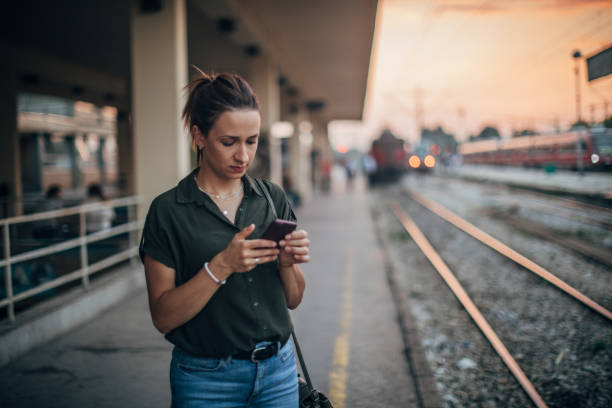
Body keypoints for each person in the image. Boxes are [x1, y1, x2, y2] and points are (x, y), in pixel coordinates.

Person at [139, 70, 309, 407]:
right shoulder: (168, 211)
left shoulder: (272, 198)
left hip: (279, 372)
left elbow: (293, 299)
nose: (243, 156)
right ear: (199, 136)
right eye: (229, 142)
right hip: (205, 381)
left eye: (252, 141)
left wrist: (287, 265)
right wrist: (221, 266)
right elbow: (163, 317)